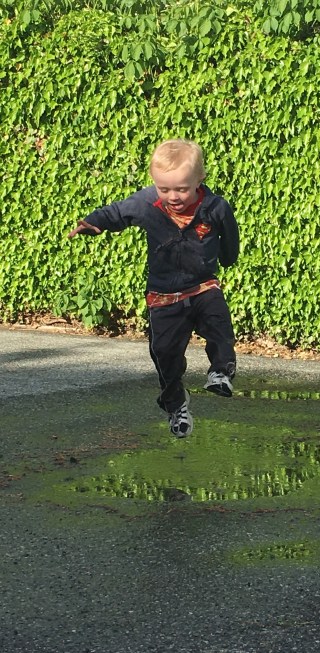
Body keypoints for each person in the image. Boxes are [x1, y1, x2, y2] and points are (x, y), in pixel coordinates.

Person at [68, 138, 239, 437]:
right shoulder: (147, 203)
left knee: (218, 324)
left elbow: (230, 236)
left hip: (202, 285)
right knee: (163, 353)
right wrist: (94, 223)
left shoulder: (215, 207)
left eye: (181, 189)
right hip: (163, 295)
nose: (173, 196)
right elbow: (118, 212)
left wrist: (228, 258)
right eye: (164, 189)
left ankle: (221, 372)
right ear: (154, 182)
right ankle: (176, 405)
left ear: (199, 179)